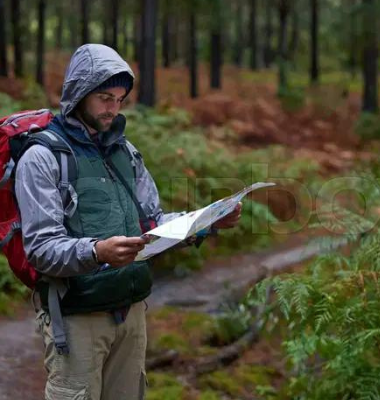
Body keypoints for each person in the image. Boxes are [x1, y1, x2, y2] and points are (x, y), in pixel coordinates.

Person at [14, 44, 242, 400]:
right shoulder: (43, 157)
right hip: (77, 319)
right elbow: (41, 249)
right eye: (104, 97)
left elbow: (152, 224)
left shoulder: (125, 152)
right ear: (78, 94)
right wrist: (96, 251)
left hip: (131, 313)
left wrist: (205, 223)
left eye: (119, 99)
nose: (113, 108)